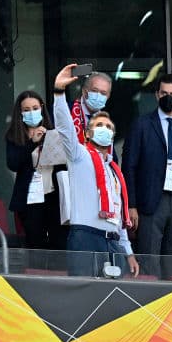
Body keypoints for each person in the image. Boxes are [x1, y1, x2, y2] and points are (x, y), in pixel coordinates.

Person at [52, 64, 139, 277]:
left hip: (113, 241)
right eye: (100, 125)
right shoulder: (79, 156)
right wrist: (58, 92)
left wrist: (128, 251)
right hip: (85, 237)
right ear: (88, 134)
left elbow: (119, 214)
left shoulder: (114, 170)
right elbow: (64, 127)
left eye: (109, 127)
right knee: (82, 298)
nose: (105, 129)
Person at [122, 73, 172, 279]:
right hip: (151, 201)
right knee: (149, 258)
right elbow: (129, 166)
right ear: (157, 95)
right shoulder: (142, 124)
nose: (168, 97)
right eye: (164, 93)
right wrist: (131, 205)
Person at [5, 90, 58, 250]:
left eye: (35, 108)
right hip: (30, 197)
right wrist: (32, 143)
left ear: (41, 107)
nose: (31, 112)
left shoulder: (53, 130)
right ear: (20, 112)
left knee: (58, 241)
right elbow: (13, 163)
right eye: (26, 109)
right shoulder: (14, 135)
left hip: (54, 194)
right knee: (35, 242)